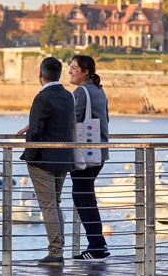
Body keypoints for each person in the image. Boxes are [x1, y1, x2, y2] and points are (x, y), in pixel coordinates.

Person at [17, 57, 74, 266]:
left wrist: (29, 158)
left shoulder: (41, 98)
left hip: (42, 161)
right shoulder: (68, 96)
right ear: (59, 74)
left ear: (40, 75)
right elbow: (59, 125)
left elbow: (38, 131)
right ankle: (58, 248)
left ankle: (55, 252)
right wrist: (31, 126)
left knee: (48, 205)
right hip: (63, 159)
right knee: (55, 204)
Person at [69, 55, 111, 261]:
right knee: (83, 196)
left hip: (84, 153)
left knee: (83, 197)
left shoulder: (81, 91)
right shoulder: (99, 90)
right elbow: (106, 118)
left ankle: (97, 245)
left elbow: (73, 121)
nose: (70, 71)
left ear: (85, 71)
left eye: (74, 67)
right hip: (100, 151)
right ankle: (97, 244)